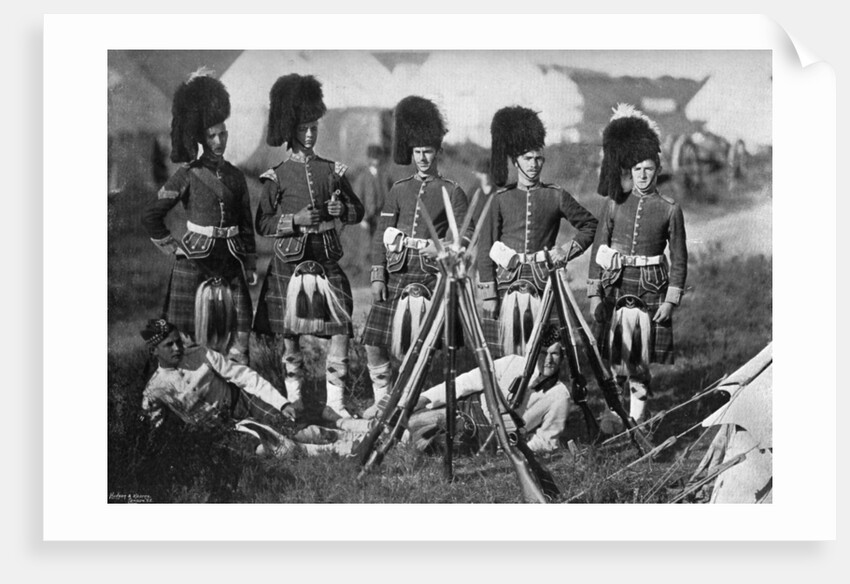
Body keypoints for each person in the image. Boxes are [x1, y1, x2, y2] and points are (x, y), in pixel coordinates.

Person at [252, 74, 366, 424]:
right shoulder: (277, 176)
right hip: (289, 262)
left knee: (341, 326)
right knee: (290, 336)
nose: (310, 133)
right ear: (291, 129)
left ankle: (334, 404)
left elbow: (357, 210)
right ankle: (297, 403)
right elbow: (263, 224)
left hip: (325, 258)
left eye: (314, 126)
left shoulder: (332, 170)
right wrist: (295, 219)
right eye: (304, 127)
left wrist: (341, 211)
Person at [360, 95, 471, 419]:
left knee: (421, 344)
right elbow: (383, 232)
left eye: (428, 152)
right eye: (418, 152)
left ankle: (412, 402)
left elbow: (464, 234)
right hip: (395, 275)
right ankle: (383, 399)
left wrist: (443, 248)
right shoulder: (398, 189)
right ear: (411, 152)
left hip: (429, 277)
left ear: (437, 152)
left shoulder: (451, 190)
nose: (423, 158)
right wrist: (378, 275)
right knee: (373, 340)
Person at [141, 69, 256, 365]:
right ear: (202, 138)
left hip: (231, 262)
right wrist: (172, 245)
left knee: (240, 341)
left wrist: (251, 262)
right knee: (186, 343)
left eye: (223, 133)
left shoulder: (235, 176)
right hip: (193, 262)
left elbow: (245, 223)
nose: (219, 141)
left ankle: (237, 400)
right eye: (212, 135)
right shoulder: (187, 174)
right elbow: (153, 216)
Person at [587, 104, 689, 424]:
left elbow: (680, 258)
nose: (642, 175)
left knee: (639, 361)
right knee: (614, 357)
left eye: (648, 169)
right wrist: (594, 293)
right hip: (616, 285)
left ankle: (637, 420)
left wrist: (671, 300)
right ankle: (612, 419)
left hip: (651, 289)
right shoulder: (614, 205)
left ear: (657, 170)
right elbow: (598, 249)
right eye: (637, 169)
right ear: (629, 171)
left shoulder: (670, 210)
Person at [139, 319, 363, 457]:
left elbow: (244, 376)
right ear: (154, 352)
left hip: (243, 403)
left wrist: (281, 402)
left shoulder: (200, 354)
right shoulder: (154, 389)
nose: (177, 347)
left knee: (296, 429)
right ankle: (333, 452)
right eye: (169, 345)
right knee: (271, 449)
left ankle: (352, 436)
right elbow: (153, 429)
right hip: (219, 430)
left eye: (178, 341)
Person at [477, 106, 598, 358]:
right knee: (502, 357)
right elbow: (485, 247)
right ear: (515, 161)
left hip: (545, 284)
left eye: (538, 158)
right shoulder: (500, 199)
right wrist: (489, 295)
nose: (533, 164)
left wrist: (565, 251)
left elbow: (590, 226)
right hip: (505, 283)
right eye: (527, 158)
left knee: (548, 353)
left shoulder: (555, 195)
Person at [408, 325, 572, 454]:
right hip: (468, 407)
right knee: (409, 419)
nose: (549, 360)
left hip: (489, 436)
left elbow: (546, 441)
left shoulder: (560, 395)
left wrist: (517, 450)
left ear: (563, 356)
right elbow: (466, 381)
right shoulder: (513, 362)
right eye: (543, 353)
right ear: (534, 352)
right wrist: (426, 398)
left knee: (427, 444)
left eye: (555, 354)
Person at [354, 144, 393, 240]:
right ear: (369, 158)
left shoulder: (385, 176)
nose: (376, 160)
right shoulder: (362, 177)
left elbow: (391, 194)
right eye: (373, 157)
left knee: (382, 242)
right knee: (367, 245)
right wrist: (362, 219)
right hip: (368, 216)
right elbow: (358, 198)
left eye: (378, 157)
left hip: (382, 215)